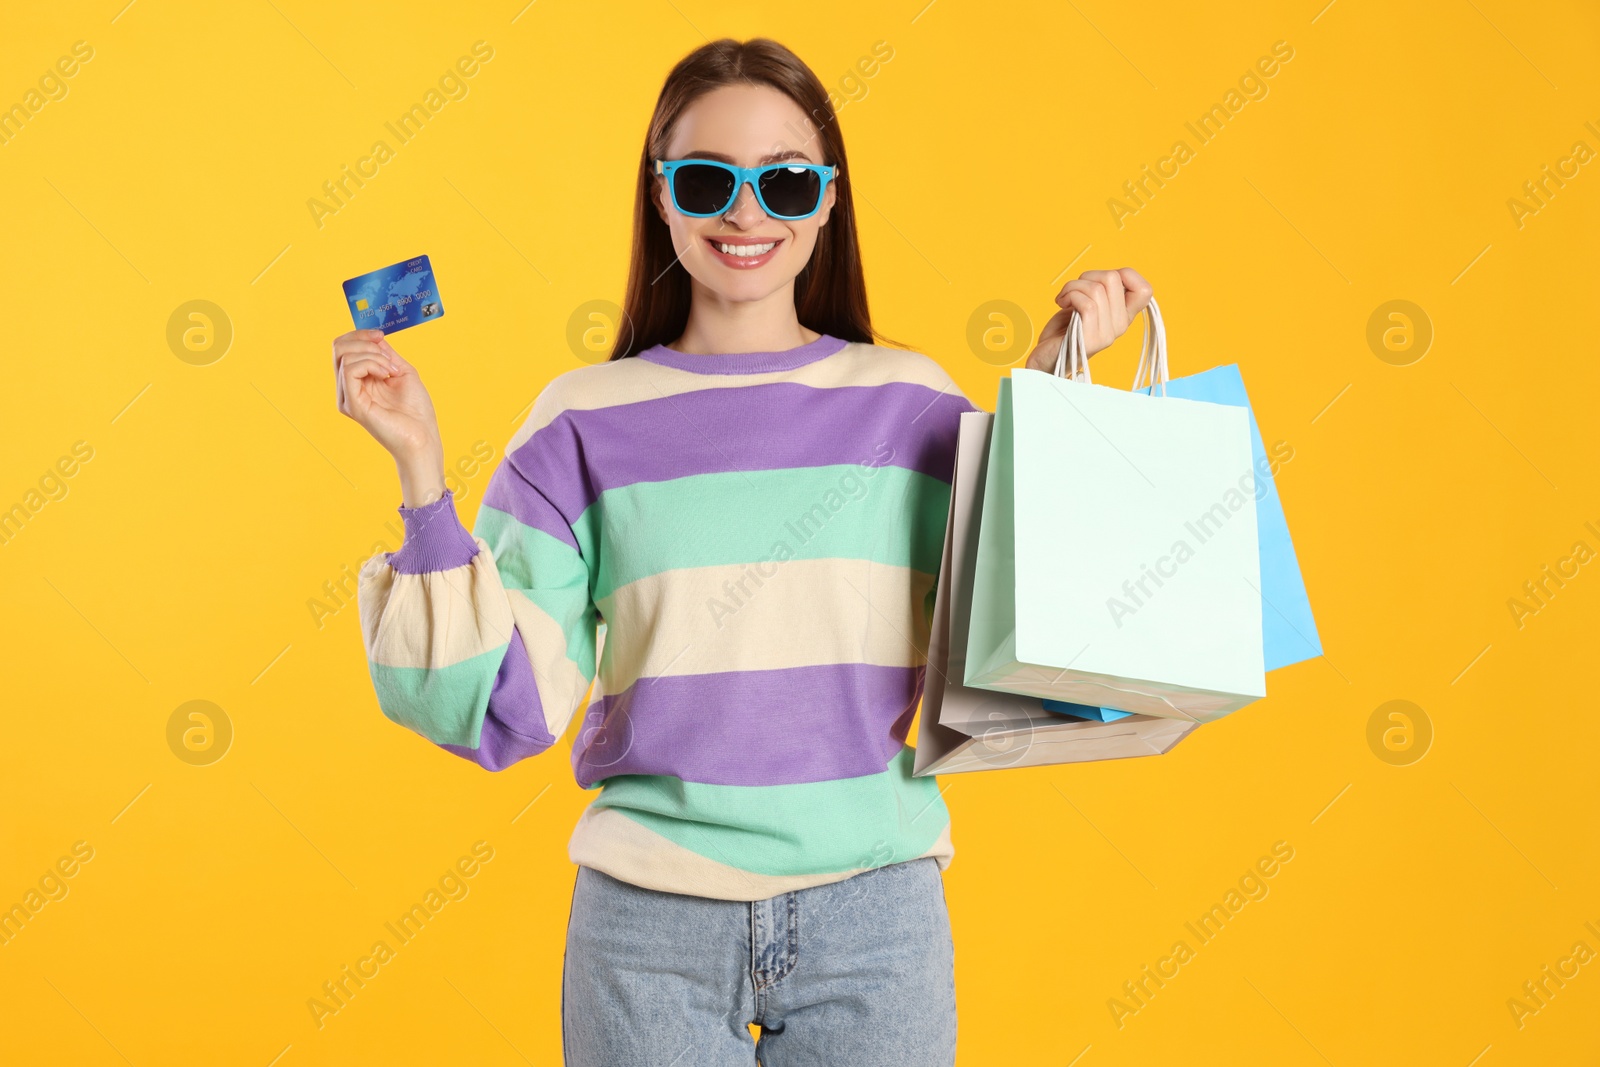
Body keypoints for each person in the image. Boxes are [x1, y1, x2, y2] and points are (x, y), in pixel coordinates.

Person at [332, 35, 1151, 1067]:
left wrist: (1049, 387)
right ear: (662, 194)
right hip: (646, 928)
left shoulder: (911, 402)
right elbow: (499, 706)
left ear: (828, 199)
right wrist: (418, 471)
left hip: (876, 914)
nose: (746, 211)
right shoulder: (579, 421)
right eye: (710, 178)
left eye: (786, 181)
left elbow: (1009, 630)